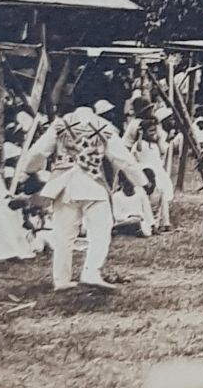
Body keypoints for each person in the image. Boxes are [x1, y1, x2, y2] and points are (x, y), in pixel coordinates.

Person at [16, 75, 149, 291]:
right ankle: (91, 271)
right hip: (92, 183)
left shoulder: (60, 124)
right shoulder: (103, 126)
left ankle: (61, 280)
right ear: (97, 102)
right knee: (101, 230)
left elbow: (38, 152)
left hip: (63, 184)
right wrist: (140, 180)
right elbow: (122, 158)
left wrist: (29, 169)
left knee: (63, 234)